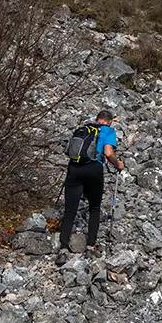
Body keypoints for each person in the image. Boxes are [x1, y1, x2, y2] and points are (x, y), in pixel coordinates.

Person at [59, 109, 126, 254]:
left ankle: (63, 249)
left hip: (74, 169)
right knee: (94, 208)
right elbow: (108, 152)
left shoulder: (83, 129)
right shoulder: (108, 131)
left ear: (97, 119)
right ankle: (90, 246)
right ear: (110, 122)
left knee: (70, 210)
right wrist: (118, 164)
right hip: (94, 170)